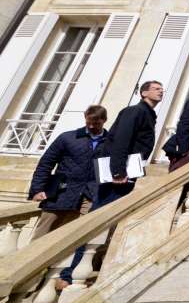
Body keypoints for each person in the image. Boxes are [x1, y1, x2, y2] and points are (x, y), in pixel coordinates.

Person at [28, 105, 108, 241]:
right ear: (85, 118)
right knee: (42, 238)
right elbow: (45, 164)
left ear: (104, 120)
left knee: (77, 238)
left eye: (96, 123)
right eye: (89, 122)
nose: (92, 126)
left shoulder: (111, 142)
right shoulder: (67, 138)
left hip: (91, 195)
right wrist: (37, 189)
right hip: (60, 193)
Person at [95, 80, 163, 208]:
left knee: (114, 211)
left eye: (161, 89)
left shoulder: (147, 113)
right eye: (156, 88)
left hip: (129, 170)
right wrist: (118, 172)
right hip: (120, 173)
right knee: (103, 211)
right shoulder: (135, 111)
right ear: (144, 93)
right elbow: (121, 140)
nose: (160, 91)